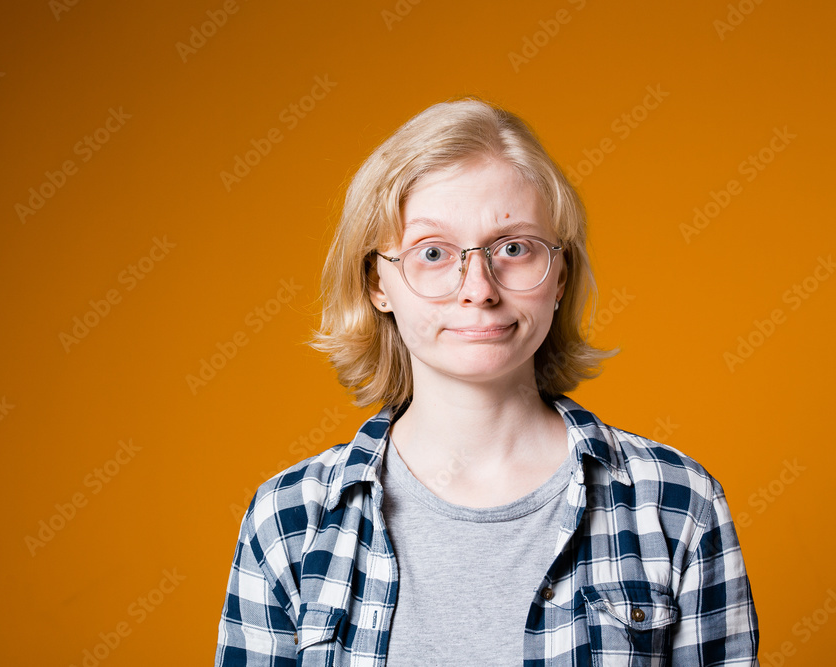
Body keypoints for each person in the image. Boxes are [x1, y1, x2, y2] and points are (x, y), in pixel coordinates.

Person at [214, 96, 759, 665]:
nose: (478, 288)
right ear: (379, 282)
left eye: (514, 248)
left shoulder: (676, 504)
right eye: (432, 252)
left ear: (560, 274)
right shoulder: (289, 521)